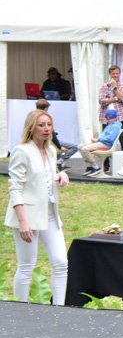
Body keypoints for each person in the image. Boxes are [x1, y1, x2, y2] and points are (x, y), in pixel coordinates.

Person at [4, 110, 70, 304]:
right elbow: (15, 188)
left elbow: (45, 175)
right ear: (31, 128)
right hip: (27, 215)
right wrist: (23, 222)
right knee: (26, 266)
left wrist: (60, 175)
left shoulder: (51, 151)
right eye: (41, 125)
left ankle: (59, 309)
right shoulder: (22, 151)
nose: (46, 128)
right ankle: (20, 309)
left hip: (50, 214)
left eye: (49, 124)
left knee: (61, 263)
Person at [35, 98, 78, 171]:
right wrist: (60, 147)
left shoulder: (33, 117)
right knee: (73, 147)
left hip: (45, 140)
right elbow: (52, 136)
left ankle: (59, 162)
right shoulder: (45, 118)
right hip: (48, 141)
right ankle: (59, 162)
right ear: (46, 108)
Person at [78, 108, 123, 175]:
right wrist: (98, 139)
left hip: (106, 145)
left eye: (107, 117)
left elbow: (110, 138)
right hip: (102, 142)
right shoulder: (110, 125)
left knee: (85, 149)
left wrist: (98, 139)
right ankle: (91, 165)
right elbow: (104, 136)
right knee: (80, 146)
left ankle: (95, 167)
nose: (106, 119)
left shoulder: (116, 126)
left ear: (110, 118)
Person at [98, 65, 123, 150]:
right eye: (113, 73)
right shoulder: (104, 86)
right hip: (107, 119)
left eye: (117, 73)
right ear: (110, 74)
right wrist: (115, 98)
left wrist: (115, 87)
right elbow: (101, 101)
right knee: (105, 141)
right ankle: (106, 159)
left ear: (119, 74)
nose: (115, 75)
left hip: (121, 118)